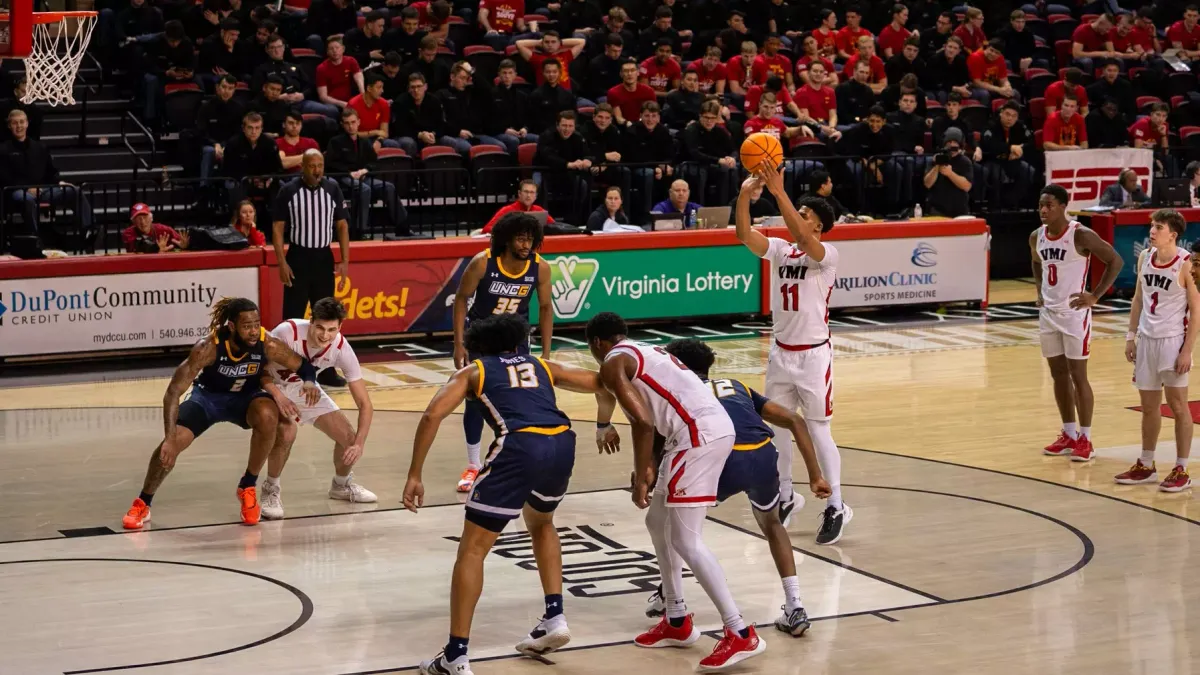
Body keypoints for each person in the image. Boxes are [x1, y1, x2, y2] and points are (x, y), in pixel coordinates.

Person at [405, 313, 618, 675]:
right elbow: (603, 383)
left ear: (478, 347)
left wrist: (414, 474)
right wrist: (603, 422)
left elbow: (432, 415)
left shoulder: (473, 371)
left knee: (472, 550)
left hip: (520, 445)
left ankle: (455, 656)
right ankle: (555, 617)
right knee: (542, 522)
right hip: (562, 442)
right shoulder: (541, 365)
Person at [587, 311, 766, 670]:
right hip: (700, 431)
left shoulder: (612, 361)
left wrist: (640, 474)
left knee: (686, 539)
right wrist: (650, 464)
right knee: (658, 522)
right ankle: (677, 619)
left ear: (597, 343)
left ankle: (740, 631)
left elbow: (642, 420)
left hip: (697, 436)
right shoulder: (644, 349)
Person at [641, 338, 831, 636]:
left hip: (720, 455)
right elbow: (794, 420)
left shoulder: (678, 392)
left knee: (675, 525)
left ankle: (672, 599)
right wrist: (815, 475)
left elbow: (657, 438)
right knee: (772, 524)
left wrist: (647, 471)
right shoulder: (736, 385)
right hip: (763, 454)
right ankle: (795, 606)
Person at [120, 298, 319, 530]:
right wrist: (169, 435)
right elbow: (173, 392)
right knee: (171, 444)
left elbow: (304, 366)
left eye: (257, 324)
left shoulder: (267, 344)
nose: (254, 331)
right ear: (232, 326)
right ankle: (143, 502)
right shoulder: (208, 348)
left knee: (268, 416)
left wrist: (309, 382)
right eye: (247, 326)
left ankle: (247, 485)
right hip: (207, 399)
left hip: (246, 398)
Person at [736, 165, 849, 543]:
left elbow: (801, 233)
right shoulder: (781, 251)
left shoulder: (827, 254)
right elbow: (742, 235)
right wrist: (743, 196)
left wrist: (779, 191)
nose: (797, 219)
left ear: (818, 225)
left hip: (814, 356)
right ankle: (785, 495)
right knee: (776, 430)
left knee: (818, 431)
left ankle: (836, 505)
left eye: (805, 215)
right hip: (781, 353)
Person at [452, 213, 554, 492]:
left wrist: (546, 352)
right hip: (481, 338)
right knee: (475, 400)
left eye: (531, 239)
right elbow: (461, 300)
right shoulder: (483, 262)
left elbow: (545, 309)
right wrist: (458, 342)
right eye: (521, 238)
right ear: (507, 238)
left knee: (520, 399)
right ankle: (473, 466)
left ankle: (514, 460)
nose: (526, 244)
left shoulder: (540, 268)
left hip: (515, 339)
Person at [258, 298, 377, 519]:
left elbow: (365, 404)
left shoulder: (341, 348)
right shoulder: (287, 332)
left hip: (305, 390)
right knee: (287, 432)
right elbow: (257, 369)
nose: (325, 335)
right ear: (310, 321)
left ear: (340, 327)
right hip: (269, 388)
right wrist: (278, 395)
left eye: (332, 330)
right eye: (320, 328)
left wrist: (360, 444)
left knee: (349, 439)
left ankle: (340, 486)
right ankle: (271, 489)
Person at [1031, 184, 1123, 462]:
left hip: (1074, 315)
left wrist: (1094, 295)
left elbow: (1115, 261)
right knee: (1057, 374)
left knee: (1078, 375)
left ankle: (1086, 438)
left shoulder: (1081, 234)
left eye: (1049, 205)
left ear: (1062, 206)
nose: (1043, 210)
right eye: (1040, 205)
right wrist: (1039, 291)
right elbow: (1037, 262)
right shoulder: (1036, 236)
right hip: (1048, 314)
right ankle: (1069, 433)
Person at [1116, 212, 1200, 492]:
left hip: (1172, 341)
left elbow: (1196, 312)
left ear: (1173, 234)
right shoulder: (1144, 258)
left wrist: (1187, 350)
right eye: (1152, 226)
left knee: (1178, 407)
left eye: (1158, 227)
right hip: (1147, 341)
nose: (1152, 230)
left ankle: (1181, 468)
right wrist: (1131, 337)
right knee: (1149, 407)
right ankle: (1147, 464)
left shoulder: (1187, 264)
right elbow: (1138, 299)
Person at [272, 149, 352, 388]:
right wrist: (281, 262)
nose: (317, 170)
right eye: (312, 166)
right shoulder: (288, 190)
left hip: (323, 258)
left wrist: (345, 260)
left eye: (320, 165)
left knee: (327, 316)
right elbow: (277, 228)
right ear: (302, 167)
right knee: (293, 318)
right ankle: (286, 368)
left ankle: (326, 371)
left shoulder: (333, 188)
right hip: (298, 257)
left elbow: (342, 225)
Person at [0, 110, 94, 251]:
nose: (18, 126)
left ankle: (89, 231)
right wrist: (27, 189)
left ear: (27, 124)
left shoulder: (40, 147)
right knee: (27, 199)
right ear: (9, 126)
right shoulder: (3, 149)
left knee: (73, 191)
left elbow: (51, 171)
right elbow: (4, 177)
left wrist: (59, 182)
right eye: (14, 123)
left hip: (42, 189)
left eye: (21, 122)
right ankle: (35, 239)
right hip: (16, 192)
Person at [923, 128, 974, 218]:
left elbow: (966, 186)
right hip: (937, 210)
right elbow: (927, 184)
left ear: (960, 144)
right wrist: (937, 166)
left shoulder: (965, 161)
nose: (952, 145)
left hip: (959, 210)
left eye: (955, 142)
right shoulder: (935, 159)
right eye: (949, 142)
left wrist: (950, 174)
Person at [481, 180, 555, 233]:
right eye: (526, 192)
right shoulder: (507, 210)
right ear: (519, 193)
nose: (528, 195)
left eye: (532, 192)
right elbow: (486, 229)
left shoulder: (539, 210)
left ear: (536, 196)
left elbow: (554, 226)